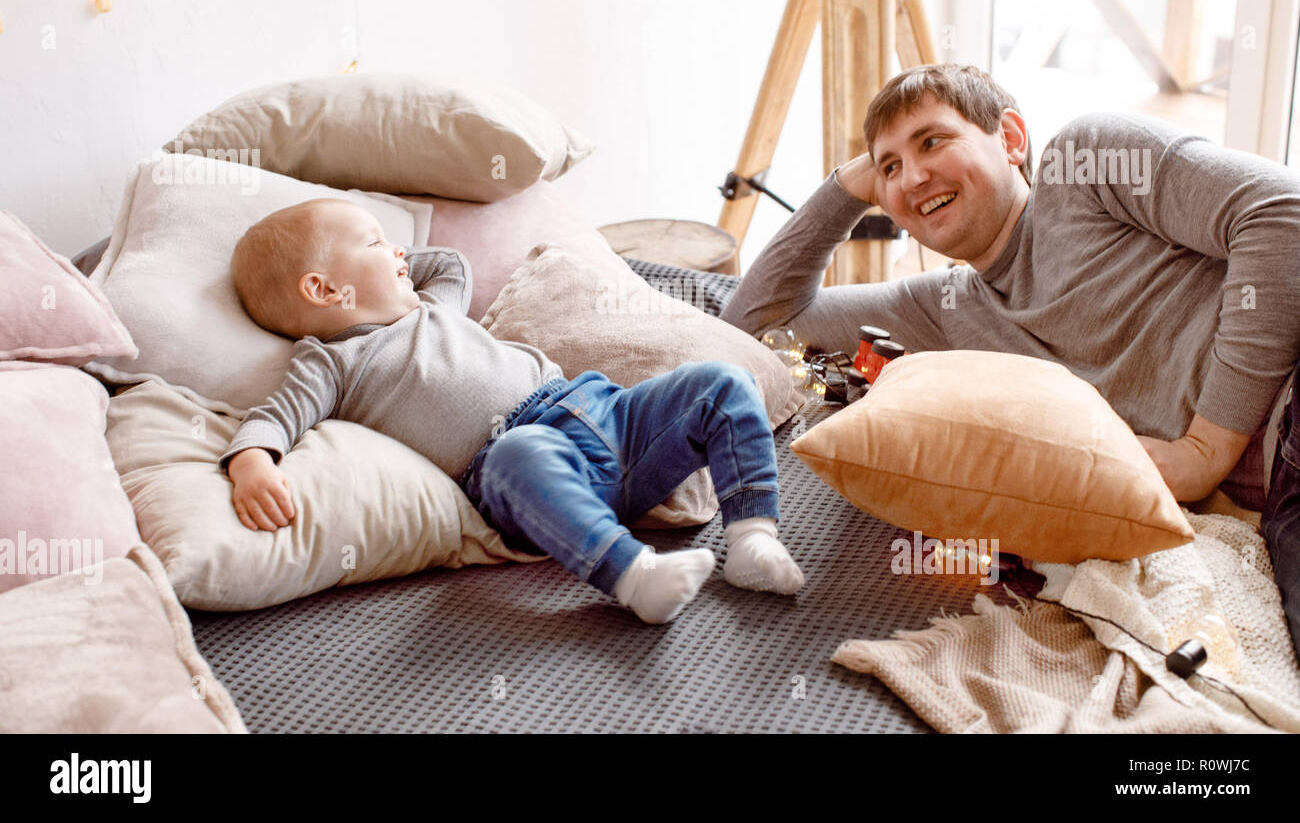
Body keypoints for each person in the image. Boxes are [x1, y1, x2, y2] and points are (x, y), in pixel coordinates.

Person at [720, 62, 1300, 654]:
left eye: (933, 141)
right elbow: (755, 328)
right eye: (890, 167)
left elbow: (1285, 214)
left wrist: (1205, 450)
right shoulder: (938, 309)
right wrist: (847, 186)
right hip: (1282, 495)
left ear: (1012, 138)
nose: (913, 176)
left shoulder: (1084, 165)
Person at [218, 198, 805, 625]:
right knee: (520, 454)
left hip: (605, 412)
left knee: (720, 382)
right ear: (323, 291)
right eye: (375, 243)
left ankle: (752, 535)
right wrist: (252, 462)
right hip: (518, 459)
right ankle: (632, 574)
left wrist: (385, 263)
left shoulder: (430, 305)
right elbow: (276, 415)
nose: (398, 250)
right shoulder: (333, 361)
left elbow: (449, 263)